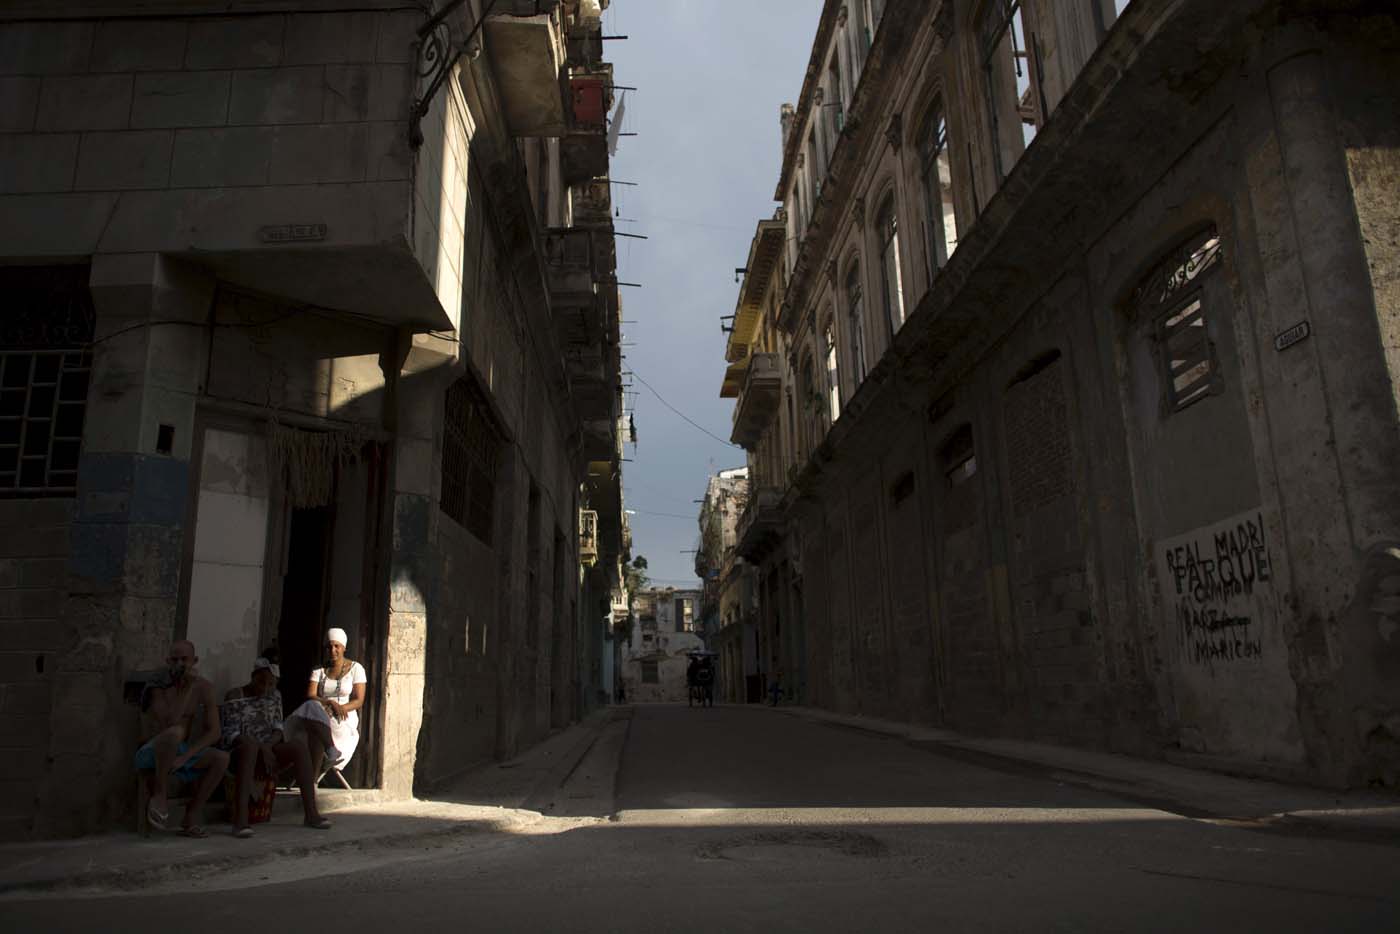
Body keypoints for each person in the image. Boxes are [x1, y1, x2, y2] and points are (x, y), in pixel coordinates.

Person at [222, 653, 332, 837]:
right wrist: (260, 747)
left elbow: (277, 727)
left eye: (271, 684)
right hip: (242, 752)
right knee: (249, 748)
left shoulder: (274, 696)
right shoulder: (235, 695)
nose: (265, 689)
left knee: (297, 746)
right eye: (261, 683)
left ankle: (311, 813)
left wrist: (268, 746)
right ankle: (240, 820)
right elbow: (230, 733)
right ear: (253, 678)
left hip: (266, 750)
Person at [135, 640, 230, 838]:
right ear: (168, 661)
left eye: (184, 659)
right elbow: (170, 724)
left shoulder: (204, 687)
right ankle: (160, 793)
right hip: (154, 751)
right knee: (175, 732)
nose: (180, 664)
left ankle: (192, 815)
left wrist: (186, 756)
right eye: (175, 659)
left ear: (194, 661)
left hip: (180, 753)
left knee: (221, 758)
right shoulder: (159, 685)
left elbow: (215, 732)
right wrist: (187, 689)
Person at [284, 628, 367, 779]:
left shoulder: (356, 669)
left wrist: (339, 707)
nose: (332, 650)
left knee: (314, 724)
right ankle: (328, 754)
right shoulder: (319, 669)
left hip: (343, 717)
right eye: (329, 646)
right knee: (314, 712)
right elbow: (311, 695)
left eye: (337, 646)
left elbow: (359, 701)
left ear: (344, 647)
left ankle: (314, 776)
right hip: (321, 711)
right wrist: (329, 702)